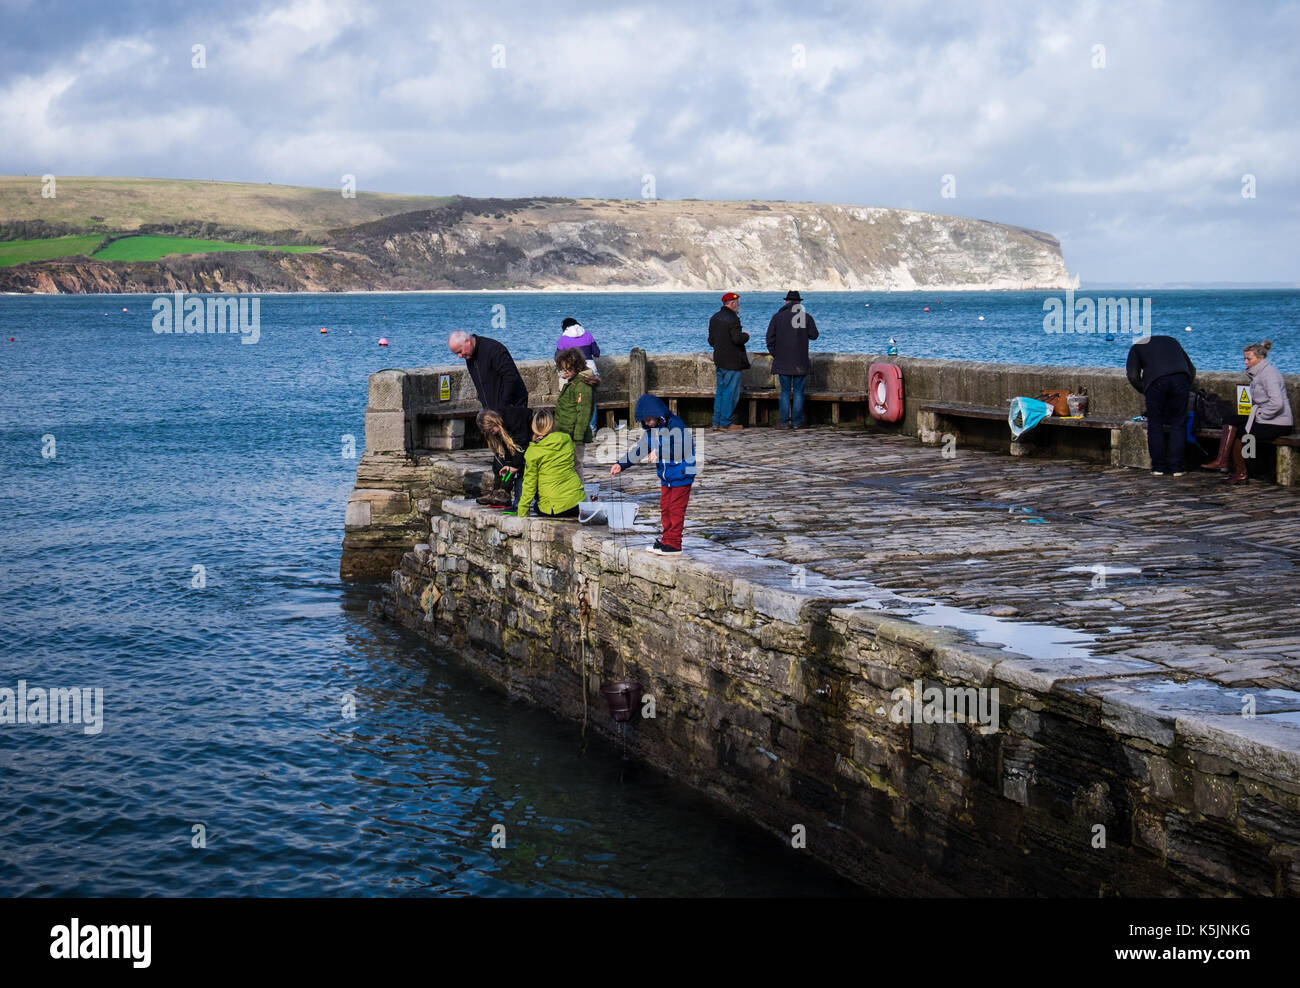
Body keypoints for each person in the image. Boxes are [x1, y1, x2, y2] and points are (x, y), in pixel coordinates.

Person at [609, 394, 696, 554]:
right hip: (666, 477)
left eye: (650, 419)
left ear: (658, 414)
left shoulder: (675, 424)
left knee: (676, 510)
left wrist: (660, 451)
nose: (647, 423)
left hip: (682, 474)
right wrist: (621, 464)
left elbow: (682, 446)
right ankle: (666, 540)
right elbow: (640, 450)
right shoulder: (651, 431)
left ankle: (674, 544)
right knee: (665, 508)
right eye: (645, 421)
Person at [1201, 339, 1294, 484]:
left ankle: (1241, 472)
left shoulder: (1269, 375)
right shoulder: (1257, 374)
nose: (1245, 362)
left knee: (1242, 433)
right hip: (1264, 417)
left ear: (1260, 358)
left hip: (1279, 422)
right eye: (1244, 358)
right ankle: (1222, 460)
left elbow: (1277, 403)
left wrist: (1260, 416)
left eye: (1248, 359)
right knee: (1231, 418)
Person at [1126, 334, 1195, 476]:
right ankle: (1177, 468)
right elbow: (1191, 369)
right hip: (1181, 378)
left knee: (1155, 424)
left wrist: (1144, 390)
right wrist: (1185, 386)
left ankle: (1158, 467)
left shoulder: (1136, 347)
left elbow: (1133, 375)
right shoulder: (1172, 340)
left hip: (1155, 382)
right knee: (1178, 423)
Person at [517, 410, 587, 519]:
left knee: (537, 506)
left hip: (555, 508)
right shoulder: (566, 439)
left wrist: (522, 510)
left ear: (534, 427)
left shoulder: (533, 451)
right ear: (553, 424)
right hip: (577, 502)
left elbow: (529, 484)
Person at [766, 290, 820, 429]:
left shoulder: (777, 317)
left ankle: (784, 422)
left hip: (782, 361)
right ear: (799, 302)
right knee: (798, 392)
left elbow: (769, 339)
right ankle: (797, 422)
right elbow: (814, 335)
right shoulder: (805, 317)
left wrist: (776, 354)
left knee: (784, 392)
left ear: (786, 301)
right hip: (800, 362)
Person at [449, 331, 528, 412]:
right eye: (457, 354)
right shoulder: (469, 356)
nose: (459, 356)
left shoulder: (494, 349)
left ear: (467, 341)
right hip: (492, 411)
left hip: (513, 408)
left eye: (460, 351)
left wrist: (503, 406)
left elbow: (511, 378)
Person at [708, 292, 749, 431]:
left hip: (719, 359)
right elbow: (737, 339)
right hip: (732, 361)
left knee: (720, 391)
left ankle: (716, 422)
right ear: (732, 303)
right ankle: (726, 423)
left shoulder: (714, 317)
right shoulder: (733, 318)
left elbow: (711, 340)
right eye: (737, 304)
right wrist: (746, 336)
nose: (738, 306)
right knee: (730, 392)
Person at [553, 348, 599, 472]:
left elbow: (584, 413)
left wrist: (578, 438)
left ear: (577, 367)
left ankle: (578, 490)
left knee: (576, 466)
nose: (565, 372)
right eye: (563, 369)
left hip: (574, 435)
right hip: (565, 432)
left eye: (568, 369)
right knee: (568, 465)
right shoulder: (573, 382)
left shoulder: (582, 386)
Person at [475, 407, 531, 508]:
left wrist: (515, 466)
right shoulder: (498, 431)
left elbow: (522, 447)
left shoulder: (513, 421)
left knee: (510, 464)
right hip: (516, 445)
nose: (493, 433)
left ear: (494, 421)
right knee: (499, 462)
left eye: (491, 430)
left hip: (527, 445)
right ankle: (497, 491)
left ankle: (503, 494)